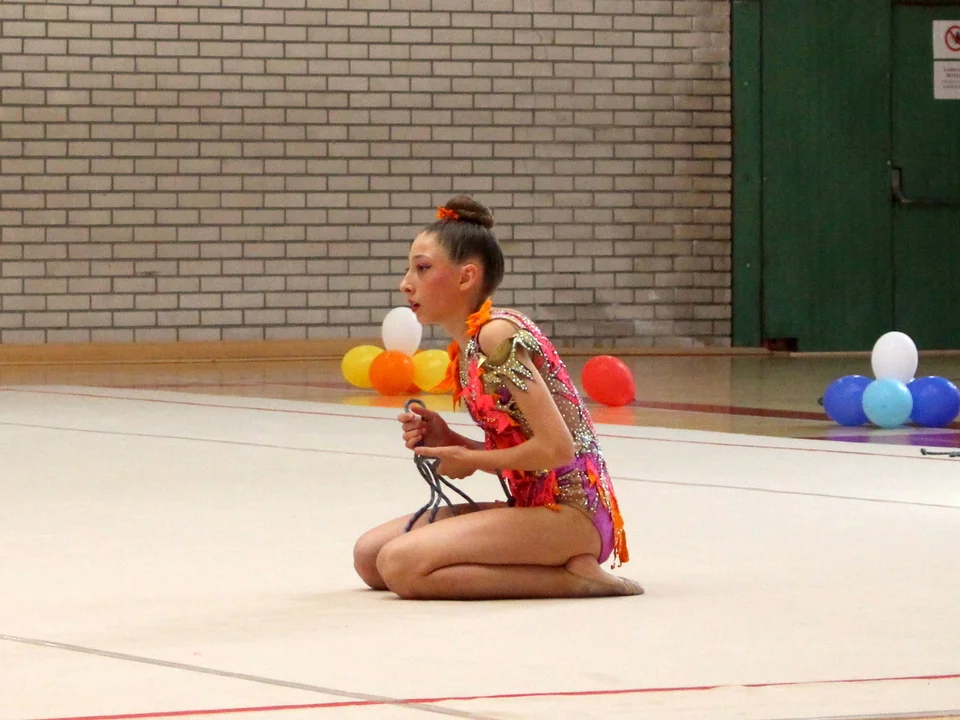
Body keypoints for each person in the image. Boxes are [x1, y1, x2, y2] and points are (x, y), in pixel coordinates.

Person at [353, 194, 643, 600]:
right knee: (370, 558)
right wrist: (452, 440)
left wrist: (470, 459)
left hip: (573, 514)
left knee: (400, 565)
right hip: (531, 504)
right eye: (409, 269)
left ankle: (575, 578)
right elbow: (526, 454)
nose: (406, 283)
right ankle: (546, 562)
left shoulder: (497, 335)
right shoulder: (468, 348)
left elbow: (557, 449)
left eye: (422, 268)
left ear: (466, 277)